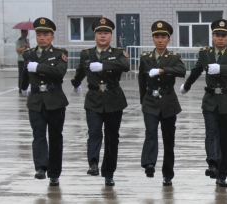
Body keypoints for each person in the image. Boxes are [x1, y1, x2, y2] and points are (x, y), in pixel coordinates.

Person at [180, 19, 227, 188]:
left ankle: (222, 174)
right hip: (210, 101)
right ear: (212, 36)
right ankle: (212, 164)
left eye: (224, 36)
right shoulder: (205, 53)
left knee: (226, 139)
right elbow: (196, 70)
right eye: (217, 35)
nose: (220, 39)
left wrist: (222, 68)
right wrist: (187, 86)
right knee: (211, 134)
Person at [71, 17, 130, 186]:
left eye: (106, 33)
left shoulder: (119, 53)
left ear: (111, 35)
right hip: (94, 99)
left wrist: (103, 66)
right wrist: (75, 84)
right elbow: (80, 72)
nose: (102, 36)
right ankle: (93, 163)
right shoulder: (86, 54)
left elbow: (125, 65)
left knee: (112, 137)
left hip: (113, 98)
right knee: (94, 132)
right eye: (99, 33)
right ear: (95, 35)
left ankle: (109, 172)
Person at [20, 17, 69, 186]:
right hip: (36, 101)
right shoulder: (29, 54)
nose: (42, 38)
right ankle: (40, 167)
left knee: (55, 137)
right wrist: (23, 86)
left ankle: (54, 173)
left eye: (45, 34)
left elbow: (59, 72)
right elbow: (24, 74)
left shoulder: (59, 54)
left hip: (55, 99)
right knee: (38, 134)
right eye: (39, 34)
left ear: (52, 37)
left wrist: (38, 67)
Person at [138, 20, 186, 186]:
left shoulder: (173, 58)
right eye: (157, 36)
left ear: (168, 39)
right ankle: (149, 164)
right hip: (150, 101)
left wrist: (162, 70)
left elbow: (182, 71)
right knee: (150, 132)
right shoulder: (145, 58)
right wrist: (142, 102)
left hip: (168, 102)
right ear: (153, 39)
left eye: (163, 37)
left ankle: (168, 174)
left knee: (168, 140)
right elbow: (141, 82)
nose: (160, 40)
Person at [16, 29, 29, 93]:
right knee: (21, 74)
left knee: (26, 74)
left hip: (26, 59)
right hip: (21, 59)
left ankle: (25, 87)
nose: (26, 33)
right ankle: (20, 87)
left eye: (27, 32)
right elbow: (18, 50)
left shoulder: (27, 40)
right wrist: (25, 47)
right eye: (25, 32)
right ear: (22, 32)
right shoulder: (19, 41)